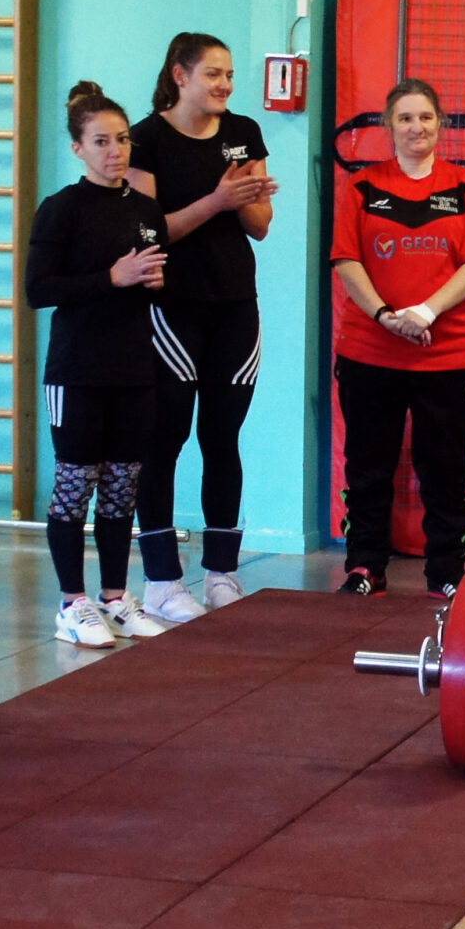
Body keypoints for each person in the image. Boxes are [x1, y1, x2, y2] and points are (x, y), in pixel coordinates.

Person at [329, 79, 465, 598]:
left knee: (445, 470)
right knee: (368, 467)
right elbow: (346, 260)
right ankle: (365, 567)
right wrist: (385, 316)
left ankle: (445, 573)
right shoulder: (361, 187)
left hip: (448, 355)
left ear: (440, 123)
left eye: (425, 117)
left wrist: (425, 312)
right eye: (404, 118)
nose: (416, 127)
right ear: (389, 126)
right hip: (369, 352)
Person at [127, 32, 275, 616]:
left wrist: (243, 197)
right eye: (213, 73)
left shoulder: (243, 133)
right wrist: (216, 201)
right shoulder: (146, 138)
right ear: (180, 75)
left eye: (229, 74)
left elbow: (260, 224)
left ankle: (222, 573)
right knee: (164, 437)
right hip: (173, 307)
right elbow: (149, 232)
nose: (224, 85)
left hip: (234, 305)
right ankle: (162, 580)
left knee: (222, 436)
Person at [29, 80, 170, 647]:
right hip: (77, 369)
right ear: (78, 148)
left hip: (133, 368)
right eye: (101, 141)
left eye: (123, 140)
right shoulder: (61, 209)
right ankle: (72, 603)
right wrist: (110, 278)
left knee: (121, 486)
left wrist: (154, 283)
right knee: (75, 484)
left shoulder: (146, 210)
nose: (115, 151)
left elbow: (155, 283)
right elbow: (39, 289)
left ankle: (115, 597)